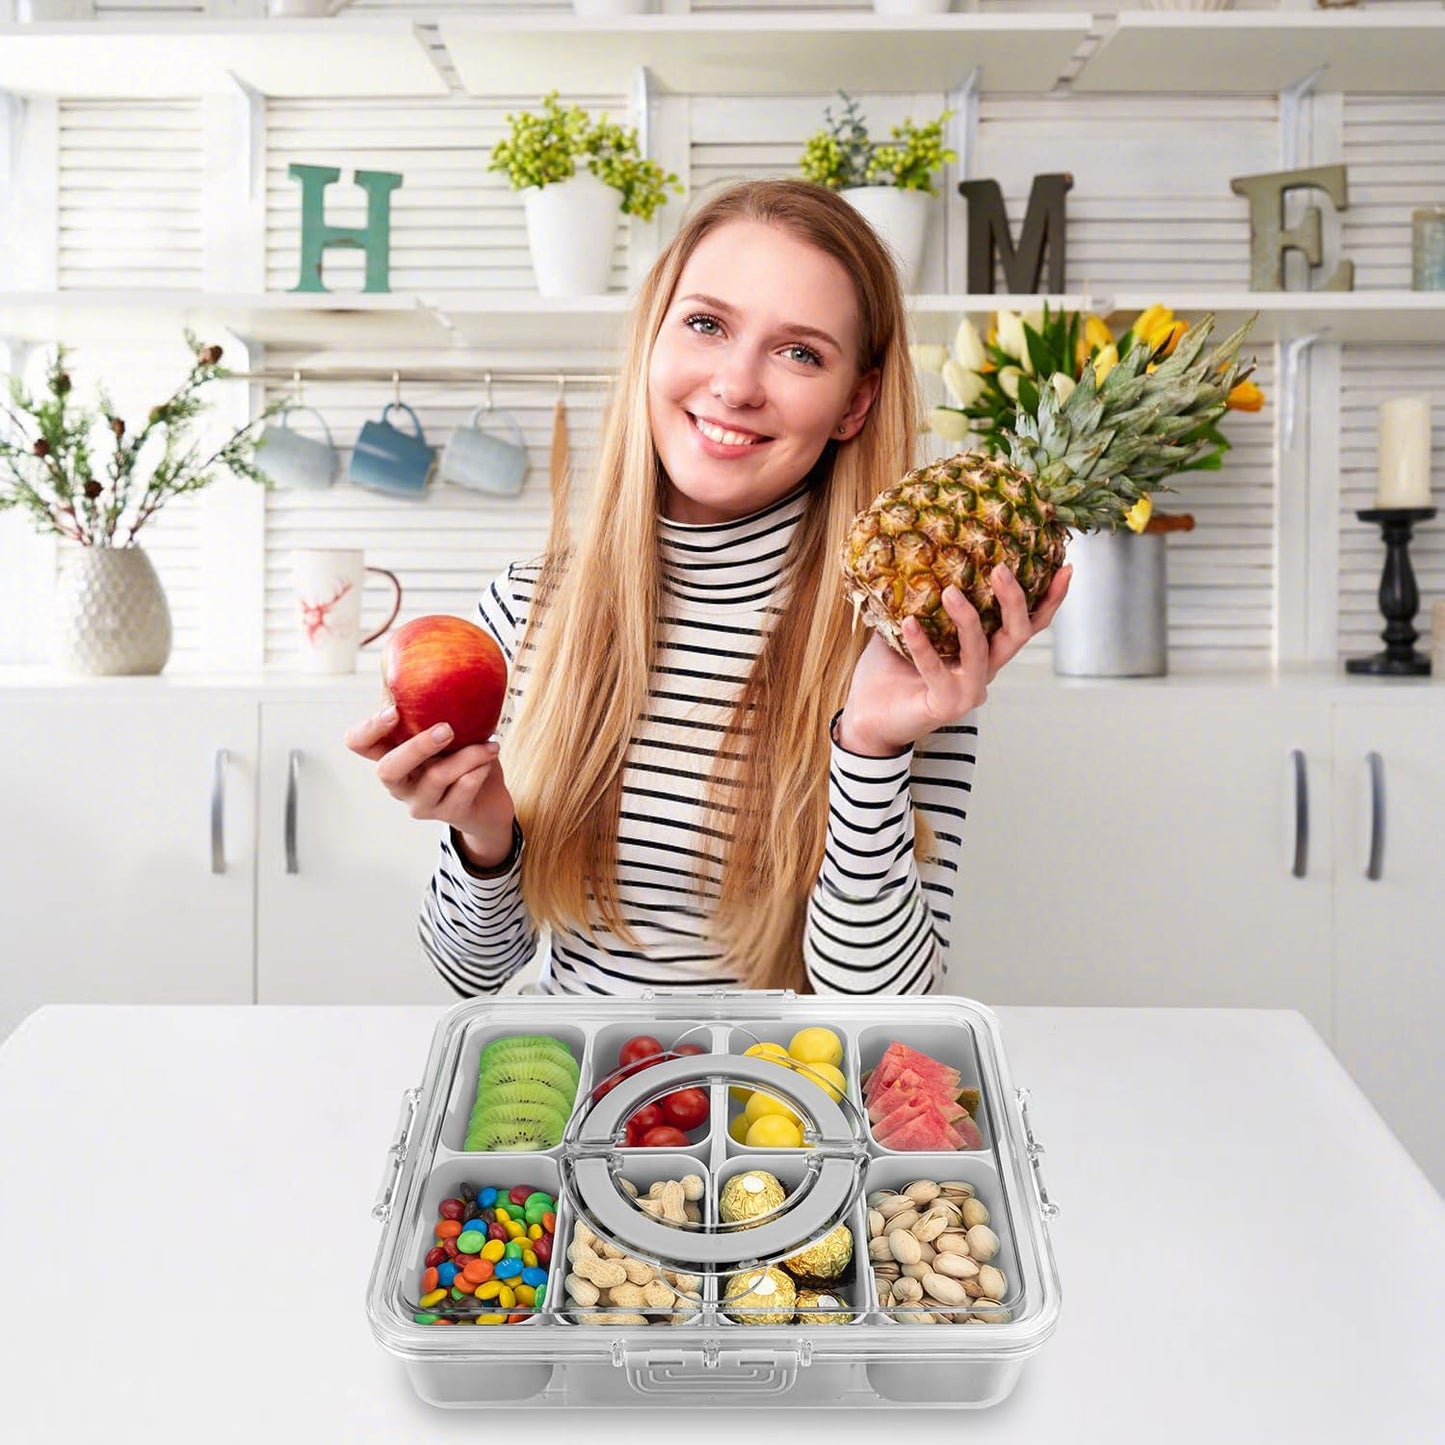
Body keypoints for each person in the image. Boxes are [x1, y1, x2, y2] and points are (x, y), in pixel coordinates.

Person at [346, 178, 1069, 999]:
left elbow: (881, 1010)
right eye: (706, 324)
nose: (735, 384)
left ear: (854, 402)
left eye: (800, 352)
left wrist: (870, 749)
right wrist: (482, 835)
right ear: (653, 337)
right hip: (583, 1097)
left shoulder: (902, 649)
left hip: (785, 1109)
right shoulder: (524, 611)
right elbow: (468, 973)